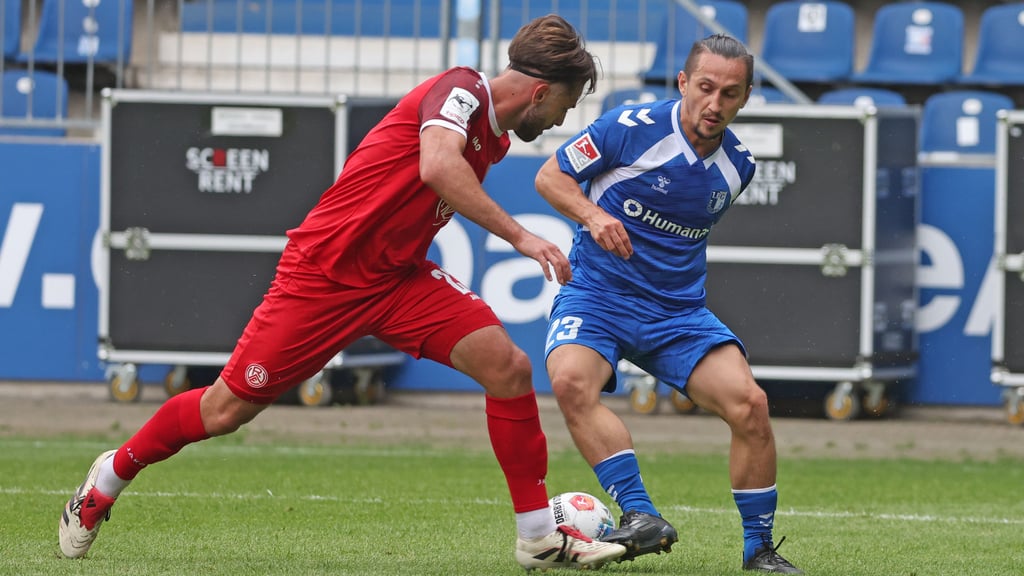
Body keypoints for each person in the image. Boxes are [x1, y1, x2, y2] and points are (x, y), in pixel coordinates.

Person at [58, 14, 627, 571]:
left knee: (507, 368)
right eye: (564, 104)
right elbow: (436, 166)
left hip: (397, 279)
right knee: (225, 410)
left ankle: (537, 537)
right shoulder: (459, 91)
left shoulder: (494, 137)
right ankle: (110, 475)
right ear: (539, 92)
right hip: (323, 278)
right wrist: (522, 236)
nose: (562, 118)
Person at [534, 34, 803, 574]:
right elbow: (550, 176)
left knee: (750, 406)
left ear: (746, 96)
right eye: (705, 87)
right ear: (682, 82)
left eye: (729, 93)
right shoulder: (627, 129)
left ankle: (759, 550)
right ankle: (640, 514)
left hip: (677, 314)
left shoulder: (739, 167)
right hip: (599, 296)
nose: (714, 103)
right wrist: (594, 216)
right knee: (570, 383)